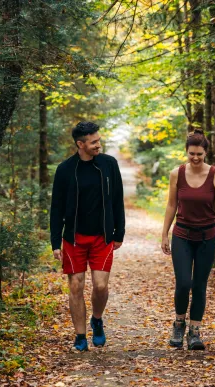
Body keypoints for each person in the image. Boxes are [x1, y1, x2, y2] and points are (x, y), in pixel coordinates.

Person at [50, 121, 126, 351]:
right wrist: (55, 242)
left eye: (99, 140)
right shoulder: (65, 170)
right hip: (73, 238)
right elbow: (57, 208)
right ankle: (80, 336)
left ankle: (97, 319)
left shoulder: (109, 165)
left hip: (102, 237)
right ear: (80, 144)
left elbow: (117, 199)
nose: (98, 145)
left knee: (101, 285)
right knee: (75, 285)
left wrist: (119, 232)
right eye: (93, 142)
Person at [160, 129, 215, 350]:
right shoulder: (176, 174)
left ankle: (195, 331)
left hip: (208, 237)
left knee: (199, 285)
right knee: (183, 283)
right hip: (182, 235)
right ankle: (179, 323)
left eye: (199, 154)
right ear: (186, 152)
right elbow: (171, 205)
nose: (195, 158)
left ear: (206, 152)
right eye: (191, 154)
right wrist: (164, 234)